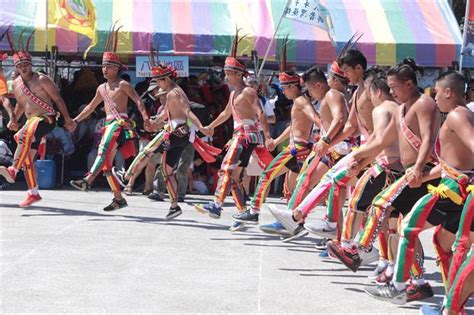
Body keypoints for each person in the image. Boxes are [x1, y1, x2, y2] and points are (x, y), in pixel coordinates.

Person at [367, 71, 473, 304]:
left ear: (448, 92)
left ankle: (399, 285)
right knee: (442, 244)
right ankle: (451, 302)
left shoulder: (456, 115)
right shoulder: (462, 114)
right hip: (456, 185)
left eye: (437, 93)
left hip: (452, 189)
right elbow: (452, 164)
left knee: (407, 227)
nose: (434, 98)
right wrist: (423, 177)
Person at [232, 39, 321, 231]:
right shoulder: (298, 102)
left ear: (292, 87)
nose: (283, 92)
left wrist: (326, 135)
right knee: (290, 189)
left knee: (266, 175)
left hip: (296, 149)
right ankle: (293, 223)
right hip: (298, 147)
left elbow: (316, 118)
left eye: (284, 88)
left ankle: (254, 210)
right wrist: (276, 141)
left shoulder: (300, 101)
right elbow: (293, 126)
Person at [69, 26, 150, 211]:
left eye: (109, 66)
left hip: (119, 123)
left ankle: (87, 179)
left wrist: (145, 118)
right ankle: (118, 198)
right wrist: (76, 120)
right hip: (107, 124)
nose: (105, 69)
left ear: (116, 69)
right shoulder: (101, 88)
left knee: (102, 149)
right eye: (103, 66)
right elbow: (90, 107)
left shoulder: (123, 84)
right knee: (106, 166)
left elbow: (138, 100)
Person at [194, 29, 272, 219]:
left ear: (239, 74)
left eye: (229, 73)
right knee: (235, 176)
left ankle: (216, 204)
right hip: (242, 135)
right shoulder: (233, 94)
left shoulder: (247, 92)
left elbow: (260, 113)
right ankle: (244, 212)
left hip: (245, 134)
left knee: (227, 168)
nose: (226, 77)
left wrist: (268, 136)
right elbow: (226, 113)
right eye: (226, 73)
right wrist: (210, 126)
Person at [0, 30, 75, 207]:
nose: (24, 67)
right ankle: (33, 192)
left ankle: (13, 169)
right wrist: (13, 119)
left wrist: (68, 119)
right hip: (30, 122)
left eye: (26, 63)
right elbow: (20, 105)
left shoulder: (42, 79)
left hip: (45, 119)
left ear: (31, 64)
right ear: (16, 67)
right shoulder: (16, 84)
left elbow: (58, 99)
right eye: (20, 65)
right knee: (28, 157)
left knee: (23, 135)